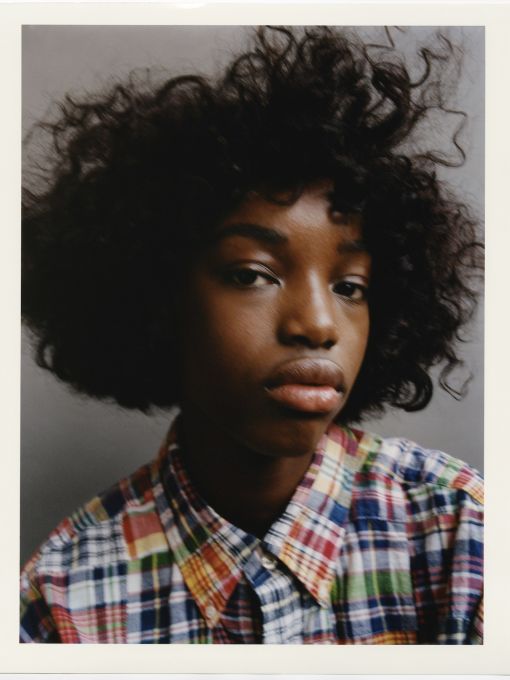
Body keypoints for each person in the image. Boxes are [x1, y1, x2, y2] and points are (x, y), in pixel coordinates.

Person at [20, 26, 483, 644]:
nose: (318, 323)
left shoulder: (463, 533)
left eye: (351, 286)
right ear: (155, 297)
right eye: (252, 275)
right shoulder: (60, 601)